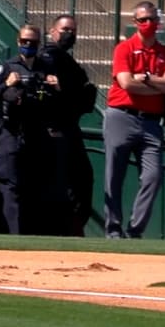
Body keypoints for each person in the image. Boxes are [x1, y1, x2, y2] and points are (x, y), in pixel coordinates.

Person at [0, 24, 65, 236]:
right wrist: (7, 86)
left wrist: (56, 88)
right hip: (11, 130)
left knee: (38, 186)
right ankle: (14, 235)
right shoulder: (8, 67)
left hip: (37, 132)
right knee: (11, 185)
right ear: (18, 42)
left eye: (33, 42)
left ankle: (37, 236)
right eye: (25, 41)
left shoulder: (46, 66)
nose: (29, 46)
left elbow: (58, 102)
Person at [103, 1, 165, 239]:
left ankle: (135, 231)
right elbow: (127, 83)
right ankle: (113, 230)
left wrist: (147, 79)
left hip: (151, 122)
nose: (148, 23)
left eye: (152, 19)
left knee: (153, 176)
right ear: (135, 22)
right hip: (121, 115)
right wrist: (158, 85)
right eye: (143, 20)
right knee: (113, 176)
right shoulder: (124, 48)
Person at [43, 14, 97, 237]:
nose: (69, 34)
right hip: (53, 130)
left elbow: (83, 97)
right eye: (65, 30)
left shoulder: (68, 61)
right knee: (63, 182)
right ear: (52, 31)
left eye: (73, 31)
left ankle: (73, 229)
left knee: (82, 180)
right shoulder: (48, 57)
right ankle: (64, 230)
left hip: (70, 128)